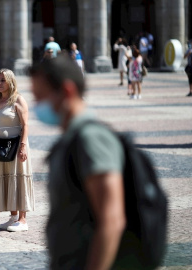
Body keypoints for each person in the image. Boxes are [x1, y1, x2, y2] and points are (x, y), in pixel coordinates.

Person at [30, 56, 126, 270]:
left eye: (40, 97)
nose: (36, 106)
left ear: (66, 91)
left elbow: (111, 221)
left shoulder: (91, 139)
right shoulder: (72, 138)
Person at [0, 69, 34, 232]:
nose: (0, 83)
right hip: (1, 146)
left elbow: (25, 125)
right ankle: (13, 216)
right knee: (7, 178)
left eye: (3, 80)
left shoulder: (18, 99)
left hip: (16, 145)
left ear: (10, 82)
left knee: (19, 178)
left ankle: (23, 219)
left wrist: (22, 146)